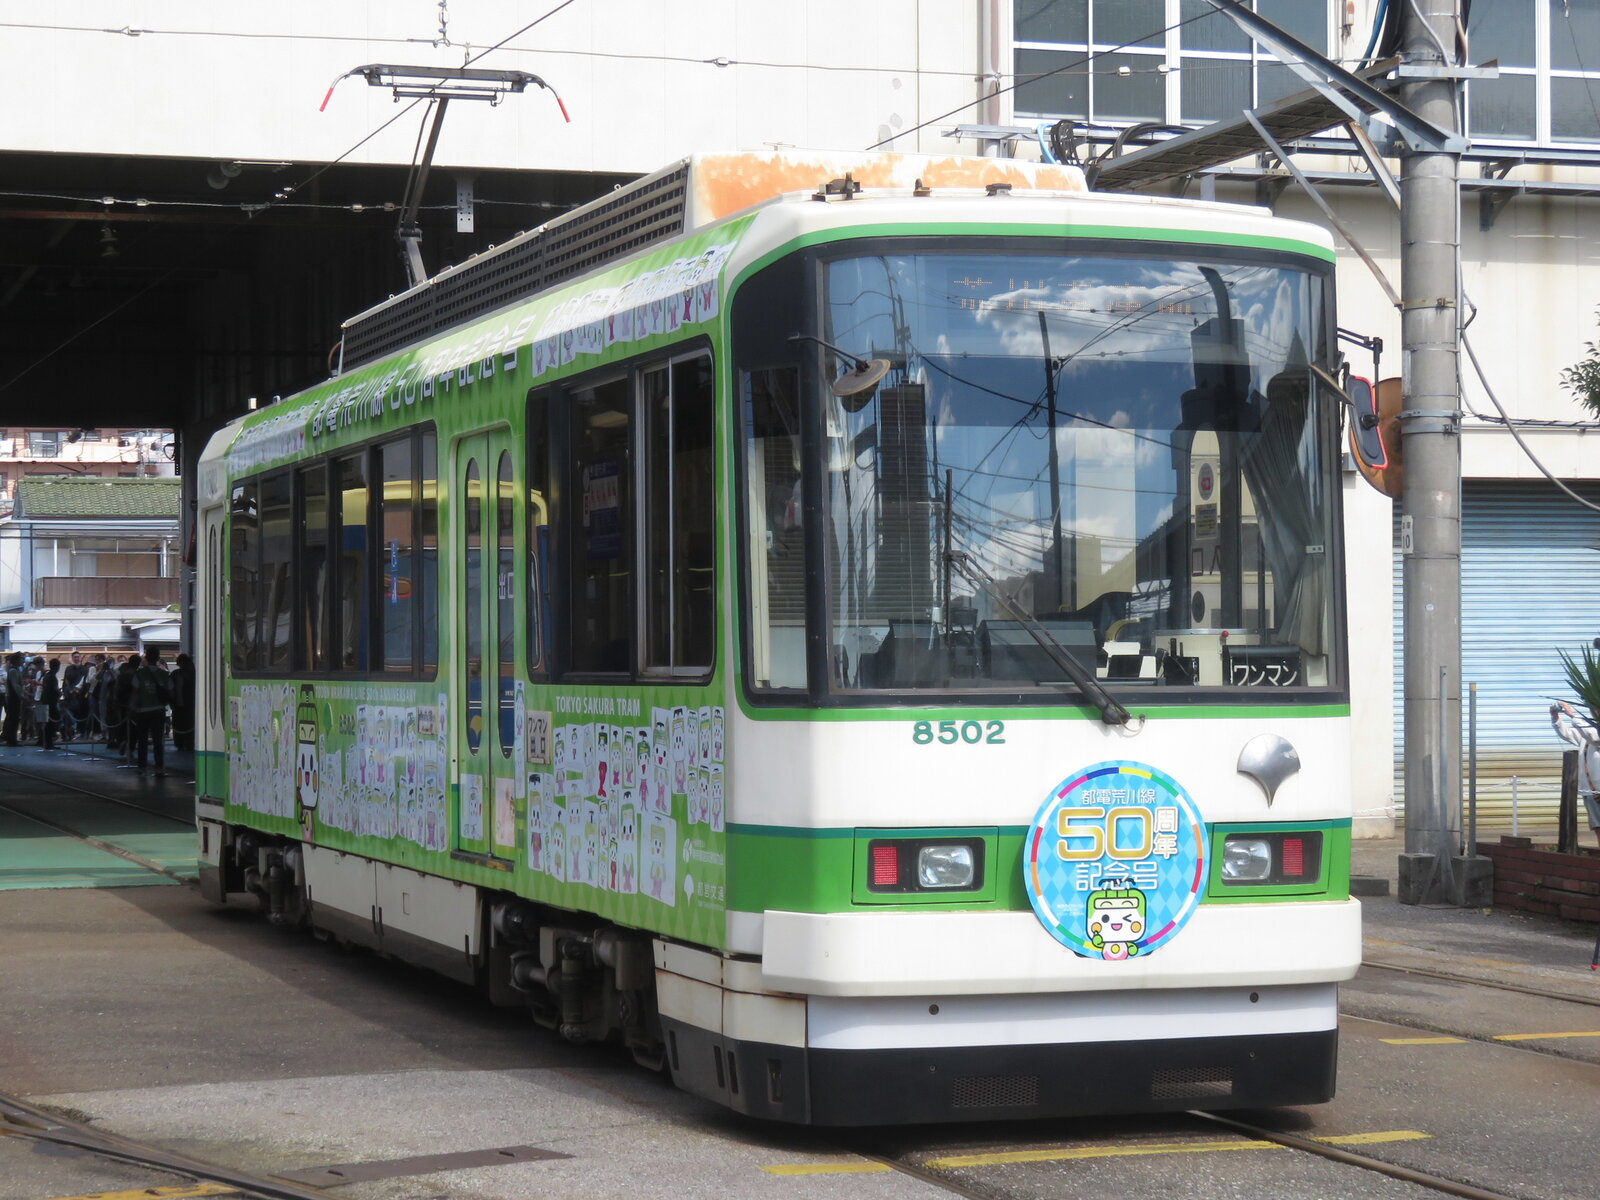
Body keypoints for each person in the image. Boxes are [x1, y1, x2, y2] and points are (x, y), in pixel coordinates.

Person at [1551, 701, 1600, 850]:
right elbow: (1569, 734)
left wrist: (1573, 715)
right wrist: (1556, 718)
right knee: (1597, 826)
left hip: (1597, 787)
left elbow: (1594, 737)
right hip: (1590, 789)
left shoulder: (1593, 731)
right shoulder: (1587, 730)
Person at [129, 649, 171, 776]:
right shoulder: (164, 674)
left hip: (143, 710)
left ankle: (142, 767)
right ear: (158, 658)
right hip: (159, 710)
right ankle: (159, 768)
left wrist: (131, 707)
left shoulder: (140, 673)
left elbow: (135, 692)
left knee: (142, 740)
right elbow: (170, 691)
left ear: (146, 658)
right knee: (158, 740)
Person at [170, 653, 196, 752]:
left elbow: (170, 689)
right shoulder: (193, 674)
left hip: (180, 704)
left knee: (179, 724)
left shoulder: (175, 674)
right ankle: (186, 743)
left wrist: (171, 701)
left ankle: (180, 743)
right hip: (188, 704)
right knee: (188, 723)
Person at [36, 658, 61, 751]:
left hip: (45, 701)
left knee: (46, 723)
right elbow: (54, 689)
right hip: (51, 702)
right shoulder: (52, 677)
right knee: (52, 722)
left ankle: (46, 741)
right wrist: (59, 694)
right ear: (57, 667)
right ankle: (49, 742)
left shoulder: (47, 675)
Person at [1, 652, 23, 746]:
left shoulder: (17, 670)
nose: (22, 661)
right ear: (16, 660)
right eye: (21, 659)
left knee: (14, 718)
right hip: (13, 697)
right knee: (13, 718)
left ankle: (11, 738)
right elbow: (15, 686)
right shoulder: (13, 671)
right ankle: (11, 739)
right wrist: (21, 695)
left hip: (14, 697)